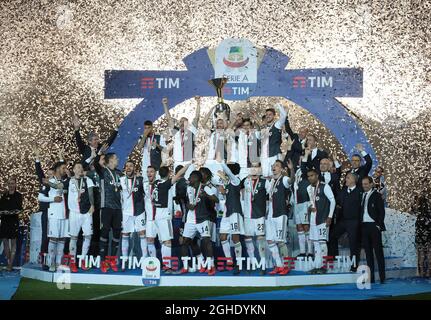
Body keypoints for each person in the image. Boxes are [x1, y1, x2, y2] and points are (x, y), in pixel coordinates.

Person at [51, 162, 95, 272]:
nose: (80, 169)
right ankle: (72, 262)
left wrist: (93, 205)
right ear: (74, 170)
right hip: (74, 213)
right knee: (73, 237)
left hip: (86, 213)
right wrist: (49, 184)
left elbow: (91, 194)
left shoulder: (87, 180)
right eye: (77, 167)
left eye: (81, 167)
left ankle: (83, 260)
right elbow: (58, 186)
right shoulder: (69, 181)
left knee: (88, 236)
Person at [146, 164, 190, 273]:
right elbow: (179, 174)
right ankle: (167, 266)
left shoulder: (156, 183)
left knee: (163, 242)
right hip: (164, 215)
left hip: (157, 215)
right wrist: (188, 165)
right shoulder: (165, 184)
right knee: (167, 242)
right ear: (169, 174)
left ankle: (165, 265)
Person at [181, 170, 218, 275]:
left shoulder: (205, 188)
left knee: (207, 241)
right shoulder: (189, 188)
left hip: (203, 219)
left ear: (197, 178)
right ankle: (189, 265)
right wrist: (189, 206)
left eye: (191, 177)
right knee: (185, 242)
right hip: (190, 220)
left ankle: (210, 267)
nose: (189, 179)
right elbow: (188, 202)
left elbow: (216, 199)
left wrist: (206, 195)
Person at [94, 151, 123, 273]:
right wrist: (99, 156)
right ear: (110, 160)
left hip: (118, 208)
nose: (118, 160)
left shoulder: (119, 173)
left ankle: (112, 259)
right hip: (106, 207)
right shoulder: (103, 172)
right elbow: (96, 164)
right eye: (116, 158)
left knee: (117, 233)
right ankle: (103, 260)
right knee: (104, 232)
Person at [265, 160, 294, 275]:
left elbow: (291, 181)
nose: (274, 167)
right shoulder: (271, 181)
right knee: (270, 241)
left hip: (281, 214)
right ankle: (278, 265)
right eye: (273, 165)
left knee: (281, 242)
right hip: (271, 215)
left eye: (277, 166)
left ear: (281, 169)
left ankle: (286, 266)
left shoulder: (284, 179)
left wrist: (291, 170)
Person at [329, 172, 362, 272]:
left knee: (353, 244)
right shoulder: (343, 191)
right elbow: (337, 202)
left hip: (354, 221)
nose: (345, 180)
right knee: (332, 235)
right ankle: (333, 257)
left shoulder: (359, 192)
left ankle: (354, 265)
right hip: (343, 221)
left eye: (348, 178)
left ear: (353, 180)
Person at [217, 158, 244, 275]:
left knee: (235, 238)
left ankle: (239, 264)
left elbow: (228, 172)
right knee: (222, 236)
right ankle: (229, 261)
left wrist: (221, 162)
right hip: (226, 213)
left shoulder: (236, 180)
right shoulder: (227, 183)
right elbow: (223, 199)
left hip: (235, 212)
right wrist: (222, 193)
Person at [306, 169, 336, 274]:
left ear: (317, 176)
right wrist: (310, 208)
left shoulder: (325, 186)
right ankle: (317, 266)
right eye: (308, 176)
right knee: (315, 243)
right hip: (313, 219)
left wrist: (330, 216)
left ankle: (324, 265)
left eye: (312, 175)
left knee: (322, 242)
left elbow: (333, 200)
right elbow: (312, 202)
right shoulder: (308, 188)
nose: (310, 178)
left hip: (323, 218)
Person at [240, 163, 267, 275]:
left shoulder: (265, 181)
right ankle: (252, 263)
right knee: (248, 238)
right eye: (252, 167)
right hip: (247, 215)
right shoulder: (244, 181)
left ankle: (263, 264)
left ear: (260, 168)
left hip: (260, 215)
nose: (254, 169)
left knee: (260, 239)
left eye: (256, 167)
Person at [162, 96, 200, 173]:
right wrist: (165, 105)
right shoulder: (176, 132)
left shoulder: (192, 131)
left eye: (184, 121)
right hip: (178, 163)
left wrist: (198, 103)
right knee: (178, 182)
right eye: (181, 121)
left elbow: (196, 117)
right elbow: (169, 119)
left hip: (189, 163)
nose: (182, 123)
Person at [120, 161, 146, 265]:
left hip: (139, 211)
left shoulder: (140, 180)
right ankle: (125, 259)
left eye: (131, 166)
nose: (129, 168)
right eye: (127, 166)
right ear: (125, 168)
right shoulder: (121, 180)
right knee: (125, 234)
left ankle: (144, 258)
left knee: (142, 233)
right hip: (126, 212)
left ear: (134, 168)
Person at [360, 176, 386, 284]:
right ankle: (371, 279)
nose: (364, 186)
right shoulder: (362, 195)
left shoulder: (376, 195)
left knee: (378, 253)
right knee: (368, 254)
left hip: (374, 226)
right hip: (364, 226)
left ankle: (382, 278)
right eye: (363, 184)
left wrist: (378, 225)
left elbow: (381, 211)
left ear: (371, 184)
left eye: (366, 184)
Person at [45, 162, 69, 272]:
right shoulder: (50, 181)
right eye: (63, 168)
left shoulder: (65, 181)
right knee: (53, 238)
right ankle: (51, 263)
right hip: (54, 214)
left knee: (62, 239)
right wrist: (52, 199)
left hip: (64, 214)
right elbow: (40, 197)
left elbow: (61, 187)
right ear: (58, 169)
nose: (65, 169)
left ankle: (59, 263)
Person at [258, 102, 288, 178]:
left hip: (274, 154)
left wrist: (278, 106)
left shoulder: (276, 125)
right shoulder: (263, 128)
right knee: (265, 176)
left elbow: (284, 116)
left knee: (275, 176)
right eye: (266, 115)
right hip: (264, 156)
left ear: (274, 116)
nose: (268, 116)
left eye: (270, 114)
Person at [0, 178, 23, 271]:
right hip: (5, 220)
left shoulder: (18, 195)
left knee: (13, 242)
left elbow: (19, 209)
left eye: (12, 183)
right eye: (9, 183)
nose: (11, 185)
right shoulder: (4, 195)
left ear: (15, 184)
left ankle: (10, 265)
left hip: (14, 221)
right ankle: (9, 262)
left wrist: (12, 212)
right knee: (5, 242)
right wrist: (4, 212)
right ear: (7, 184)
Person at [293, 158, 312, 258]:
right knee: (299, 227)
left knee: (306, 226)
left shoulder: (307, 171)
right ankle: (302, 251)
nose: (300, 160)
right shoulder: (297, 171)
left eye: (303, 159)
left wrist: (310, 204)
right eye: (300, 159)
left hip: (305, 202)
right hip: (297, 202)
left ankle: (310, 251)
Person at [411, 188, 431, 278]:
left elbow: (412, 209)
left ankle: (422, 272)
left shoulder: (418, 212)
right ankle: (428, 272)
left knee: (421, 252)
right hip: (428, 231)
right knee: (429, 251)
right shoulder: (429, 211)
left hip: (420, 232)